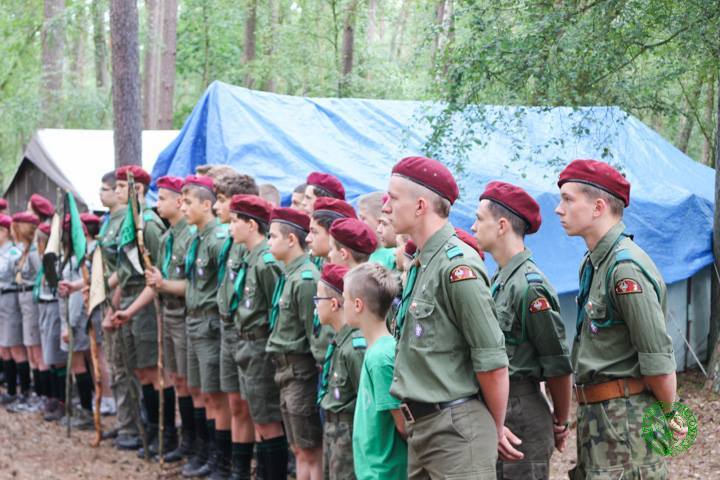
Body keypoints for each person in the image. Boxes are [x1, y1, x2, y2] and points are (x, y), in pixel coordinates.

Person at [382, 156, 509, 479]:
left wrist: (495, 427)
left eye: (393, 198)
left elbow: (492, 362)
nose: (385, 207)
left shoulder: (457, 267)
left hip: (456, 431)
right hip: (424, 429)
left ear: (420, 206)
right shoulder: (422, 264)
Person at [555, 159, 677, 479]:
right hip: (598, 417)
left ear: (598, 207)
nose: (558, 209)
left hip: (626, 422)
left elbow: (658, 360)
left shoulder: (625, 269)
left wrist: (671, 417)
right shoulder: (593, 264)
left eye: (567, 199)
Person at [472, 181, 573, 479]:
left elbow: (557, 364)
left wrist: (561, 421)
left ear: (502, 225)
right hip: (499, 410)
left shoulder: (529, 287)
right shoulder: (499, 280)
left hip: (521, 415)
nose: (473, 226)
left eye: (480, 218)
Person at [109, 165, 168, 456]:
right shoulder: (129, 223)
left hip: (146, 305)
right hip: (130, 299)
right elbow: (125, 270)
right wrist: (115, 304)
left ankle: (163, 433)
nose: (117, 191)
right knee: (139, 371)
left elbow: (156, 274)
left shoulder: (149, 225)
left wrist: (130, 309)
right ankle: (148, 428)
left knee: (151, 371)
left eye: (122, 186)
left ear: (138, 189)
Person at [228, 194, 288, 479]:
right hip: (245, 343)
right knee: (257, 416)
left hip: (261, 346)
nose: (230, 227)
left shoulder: (266, 262)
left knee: (267, 419)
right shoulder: (250, 258)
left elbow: (278, 310)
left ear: (251, 225)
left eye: (234, 221)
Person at [265, 207, 322, 480]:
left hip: (301, 373)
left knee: (310, 449)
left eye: (273, 236)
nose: (268, 242)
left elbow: (314, 335)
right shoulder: (289, 274)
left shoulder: (306, 279)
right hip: (286, 371)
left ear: (291, 240)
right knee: (298, 447)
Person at [180, 174, 232, 478]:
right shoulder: (197, 238)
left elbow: (224, 286)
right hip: (194, 319)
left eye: (188, 202)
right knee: (201, 390)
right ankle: (206, 450)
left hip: (210, 323)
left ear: (206, 205)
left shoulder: (216, 240)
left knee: (216, 394)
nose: (183, 208)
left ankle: (221, 461)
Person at [144, 176, 196, 463]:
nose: (158, 204)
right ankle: (185, 438)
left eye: (163, 198)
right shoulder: (167, 238)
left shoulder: (191, 236)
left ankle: (196, 442)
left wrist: (163, 284)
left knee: (189, 381)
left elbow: (194, 286)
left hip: (185, 314)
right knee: (177, 378)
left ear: (179, 202)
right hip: (168, 312)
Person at [212, 169, 259, 478]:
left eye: (221, 200)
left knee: (249, 404)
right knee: (233, 401)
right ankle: (231, 467)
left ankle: (248, 468)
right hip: (227, 328)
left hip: (247, 333)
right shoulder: (230, 241)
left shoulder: (253, 246)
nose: (217, 206)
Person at [344, 262, 407, 480]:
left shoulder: (380, 358)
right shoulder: (376, 351)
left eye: (344, 299)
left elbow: (402, 425)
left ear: (358, 305)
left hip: (385, 473)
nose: (342, 304)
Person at [97, 170, 142, 450]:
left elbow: (125, 271)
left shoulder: (128, 222)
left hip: (120, 298)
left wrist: (110, 301)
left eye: (107, 188)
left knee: (125, 367)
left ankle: (132, 426)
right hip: (108, 298)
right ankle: (125, 421)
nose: (103, 193)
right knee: (116, 366)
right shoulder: (108, 222)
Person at [315, 263, 366, 480]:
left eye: (318, 300)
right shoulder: (339, 341)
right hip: (333, 432)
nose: (315, 306)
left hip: (348, 436)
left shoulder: (355, 347)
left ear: (334, 304)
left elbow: (367, 402)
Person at [305, 197, 357, 369]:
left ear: (331, 235)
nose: (308, 238)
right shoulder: (321, 267)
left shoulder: (353, 284)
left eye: (314, 232)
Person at [6, 211, 47, 413]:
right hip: (23, 300)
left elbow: (42, 277)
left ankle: (43, 396)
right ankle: (36, 395)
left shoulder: (33, 252)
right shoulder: (24, 251)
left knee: (36, 350)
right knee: (31, 351)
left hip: (31, 300)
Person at [34, 222, 68, 421]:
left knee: (57, 355)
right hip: (44, 307)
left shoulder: (54, 260)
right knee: (50, 356)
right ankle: (54, 397)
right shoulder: (44, 260)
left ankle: (62, 400)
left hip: (54, 307)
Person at [0, 214, 25, 406]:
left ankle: (24, 391)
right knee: (3, 346)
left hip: (10, 298)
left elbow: (12, 274)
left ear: (5, 231)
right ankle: (9, 391)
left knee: (14, 345)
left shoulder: (14, 252)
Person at [357, 192, 396, 270]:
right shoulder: (370, 251)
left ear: (379, 220)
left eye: (363, 218)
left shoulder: (392, 255)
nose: (359, 223)